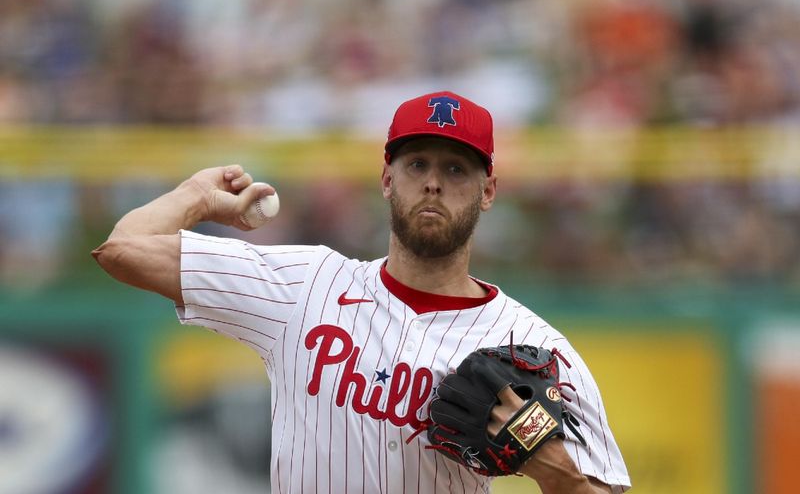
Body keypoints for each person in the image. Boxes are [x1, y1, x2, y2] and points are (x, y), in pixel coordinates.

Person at [93, 92, 630, 493]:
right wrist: (195, 198)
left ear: (487, 190)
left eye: (456, 169)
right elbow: (124, 249)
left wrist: (553, 467)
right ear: (386, 180)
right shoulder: (304, 286)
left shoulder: (533, 344)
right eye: (417, 164)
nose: (434, 183)